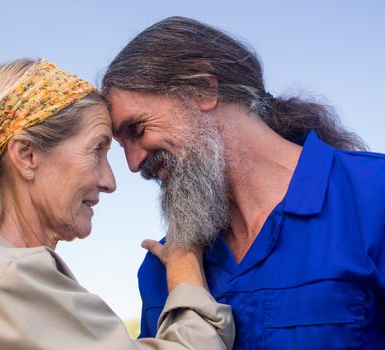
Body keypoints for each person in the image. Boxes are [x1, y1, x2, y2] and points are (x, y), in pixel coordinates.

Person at [0, 58, 234, 350]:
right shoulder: (4, 277)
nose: (110, 181)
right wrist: (186, 270)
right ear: (27, 156)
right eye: (97, 149)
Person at [102, 16, 385, 349]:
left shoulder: (374, 194)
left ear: (203, 89)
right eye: (120, 147)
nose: (133, 164)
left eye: (137, 130)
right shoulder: (163, 267)